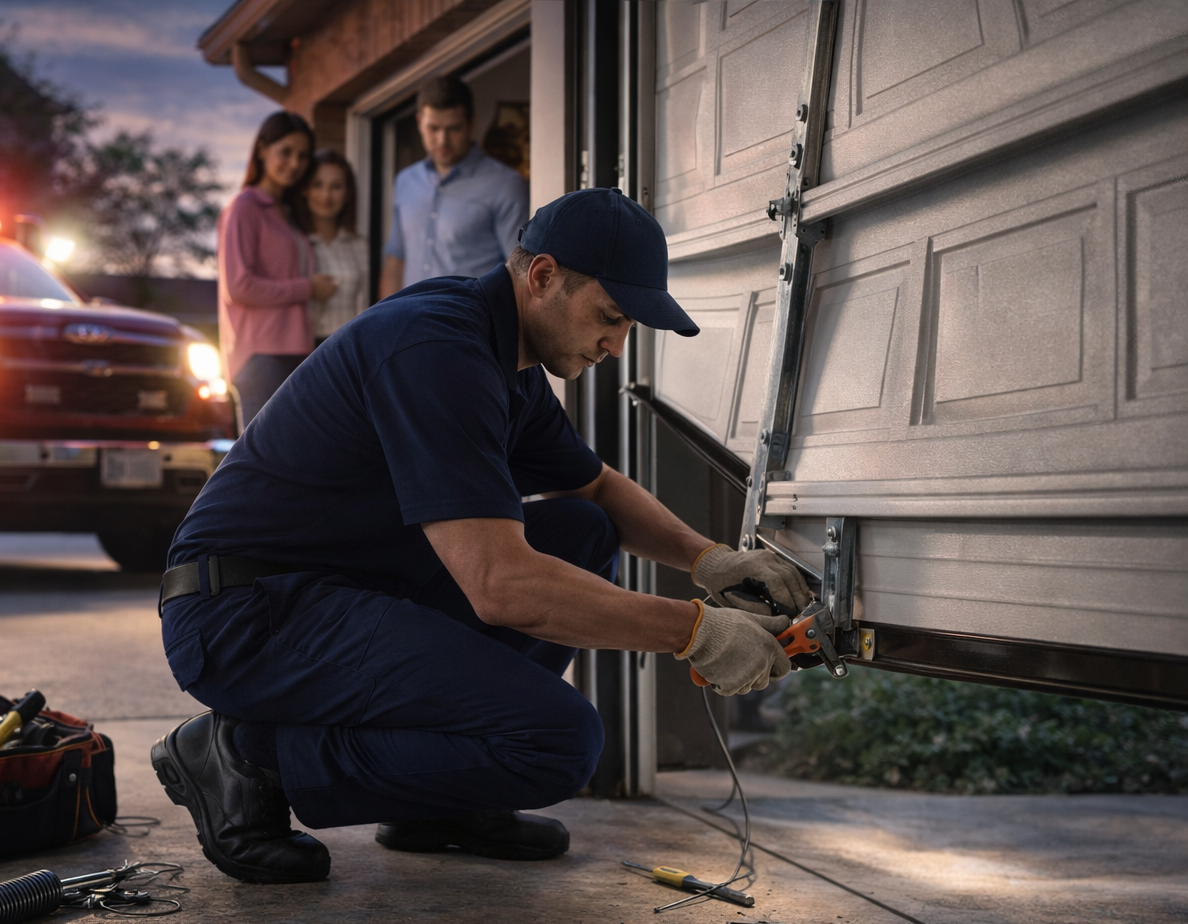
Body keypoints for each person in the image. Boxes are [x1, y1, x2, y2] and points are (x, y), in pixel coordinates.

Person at [152, 188, 811, 885]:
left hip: (341, 593)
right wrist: (695, 631)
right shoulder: (437, 350)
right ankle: (246, 757)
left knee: (581, 529)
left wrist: (709, 560)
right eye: (611, 318)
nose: (616, 347)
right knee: (558, 743)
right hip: (245, 614)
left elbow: (593, 488)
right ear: (543, 276)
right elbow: (500, 588)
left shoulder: (506, 359)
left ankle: (437, 806)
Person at [216, 111, 338, 423]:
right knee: (264, 463)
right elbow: (238, 286)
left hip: (296, 350)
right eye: (285, 152)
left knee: (290, 459)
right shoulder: (244, 207)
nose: (294, 163)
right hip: (261, 355)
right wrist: (308, 287)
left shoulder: (286, 213)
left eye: (302, 156)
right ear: (262, 150)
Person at [378, 76, 529, 298]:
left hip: (470, 327)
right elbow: (395, 262)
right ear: (419, 122)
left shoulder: (505, 185)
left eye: (453, 129)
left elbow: (520, 274)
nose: (442, 140)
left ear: (472, 123)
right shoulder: (405, 181)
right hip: (411, 324)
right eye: (433, 128)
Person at [295, 150, 368, 343]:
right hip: (302, 351)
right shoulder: (292, 244)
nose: (326, 195)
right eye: (317, 185)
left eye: (336, 186)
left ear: (347, 193)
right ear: (305, 190)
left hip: (349, 347)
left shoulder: (360, 245)